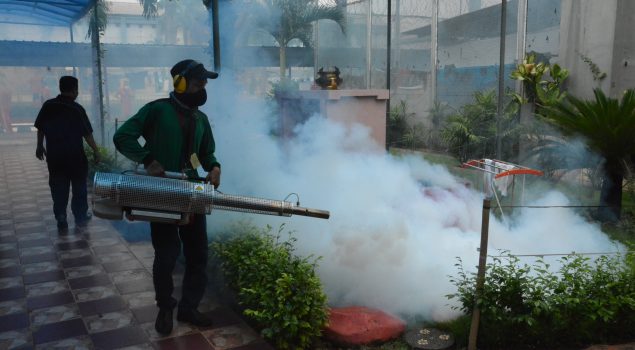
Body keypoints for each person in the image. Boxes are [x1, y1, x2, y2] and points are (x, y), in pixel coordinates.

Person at [113, 59, 221, 335]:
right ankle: (165, 307)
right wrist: (147, 159)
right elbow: (123, 136)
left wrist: (214, 167)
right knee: (167, 255)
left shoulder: (201, 119)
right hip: (162, 193)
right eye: (198, 83)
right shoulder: (157, 110)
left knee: (197, 254)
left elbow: (206, 153)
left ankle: (188, 307)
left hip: (193, 192)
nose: (203, 88)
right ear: (180, 83)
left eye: (204, 83)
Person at [34, 76, 100, 232]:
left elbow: (40, 127)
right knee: (79, 187)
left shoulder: (48, 105)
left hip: (55, 156)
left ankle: (61, 216)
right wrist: (96, 151)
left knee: (58, 186)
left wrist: (39, 146)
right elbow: (87, 134)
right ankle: (80, 215)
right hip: (75, 157)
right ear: (74, 90)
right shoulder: (77, 109)